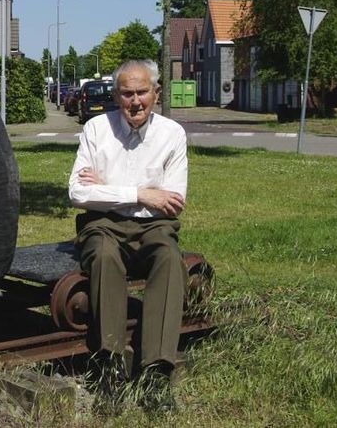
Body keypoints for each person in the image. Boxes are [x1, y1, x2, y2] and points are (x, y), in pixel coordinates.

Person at [67, 59, 188, 411]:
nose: (135, 101)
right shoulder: (95, 129)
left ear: (156, 93)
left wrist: (108, 188)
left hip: (155, 227)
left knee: (168, 258)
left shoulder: (172, 134)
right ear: (116, 95)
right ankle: (110, 366)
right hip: (103, 223)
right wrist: (141, 193)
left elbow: (173, 202)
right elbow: (77, 193)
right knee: (104, 258)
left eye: (142, 92)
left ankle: (155, 371)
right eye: (126, 93)